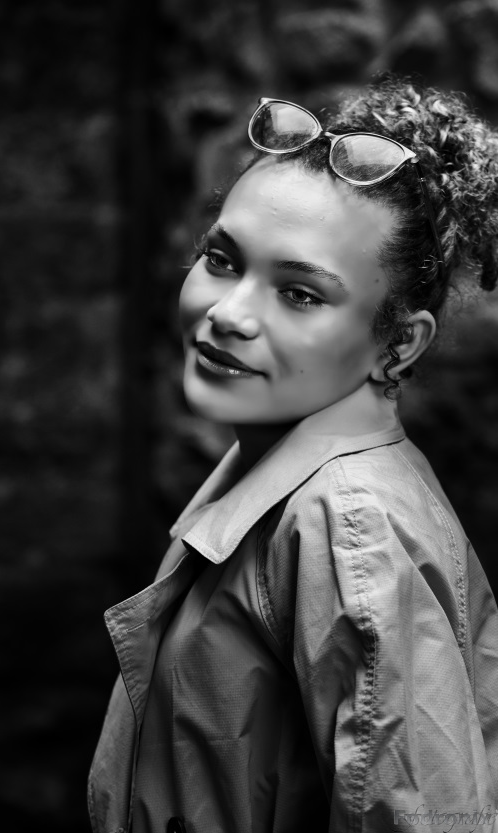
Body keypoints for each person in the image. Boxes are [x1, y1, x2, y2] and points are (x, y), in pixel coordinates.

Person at [88, 78, 498, 833]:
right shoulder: (276, 468)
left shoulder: (347, 525)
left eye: (301, 294)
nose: (228, 313)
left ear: (398, 344)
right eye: (221, 259)